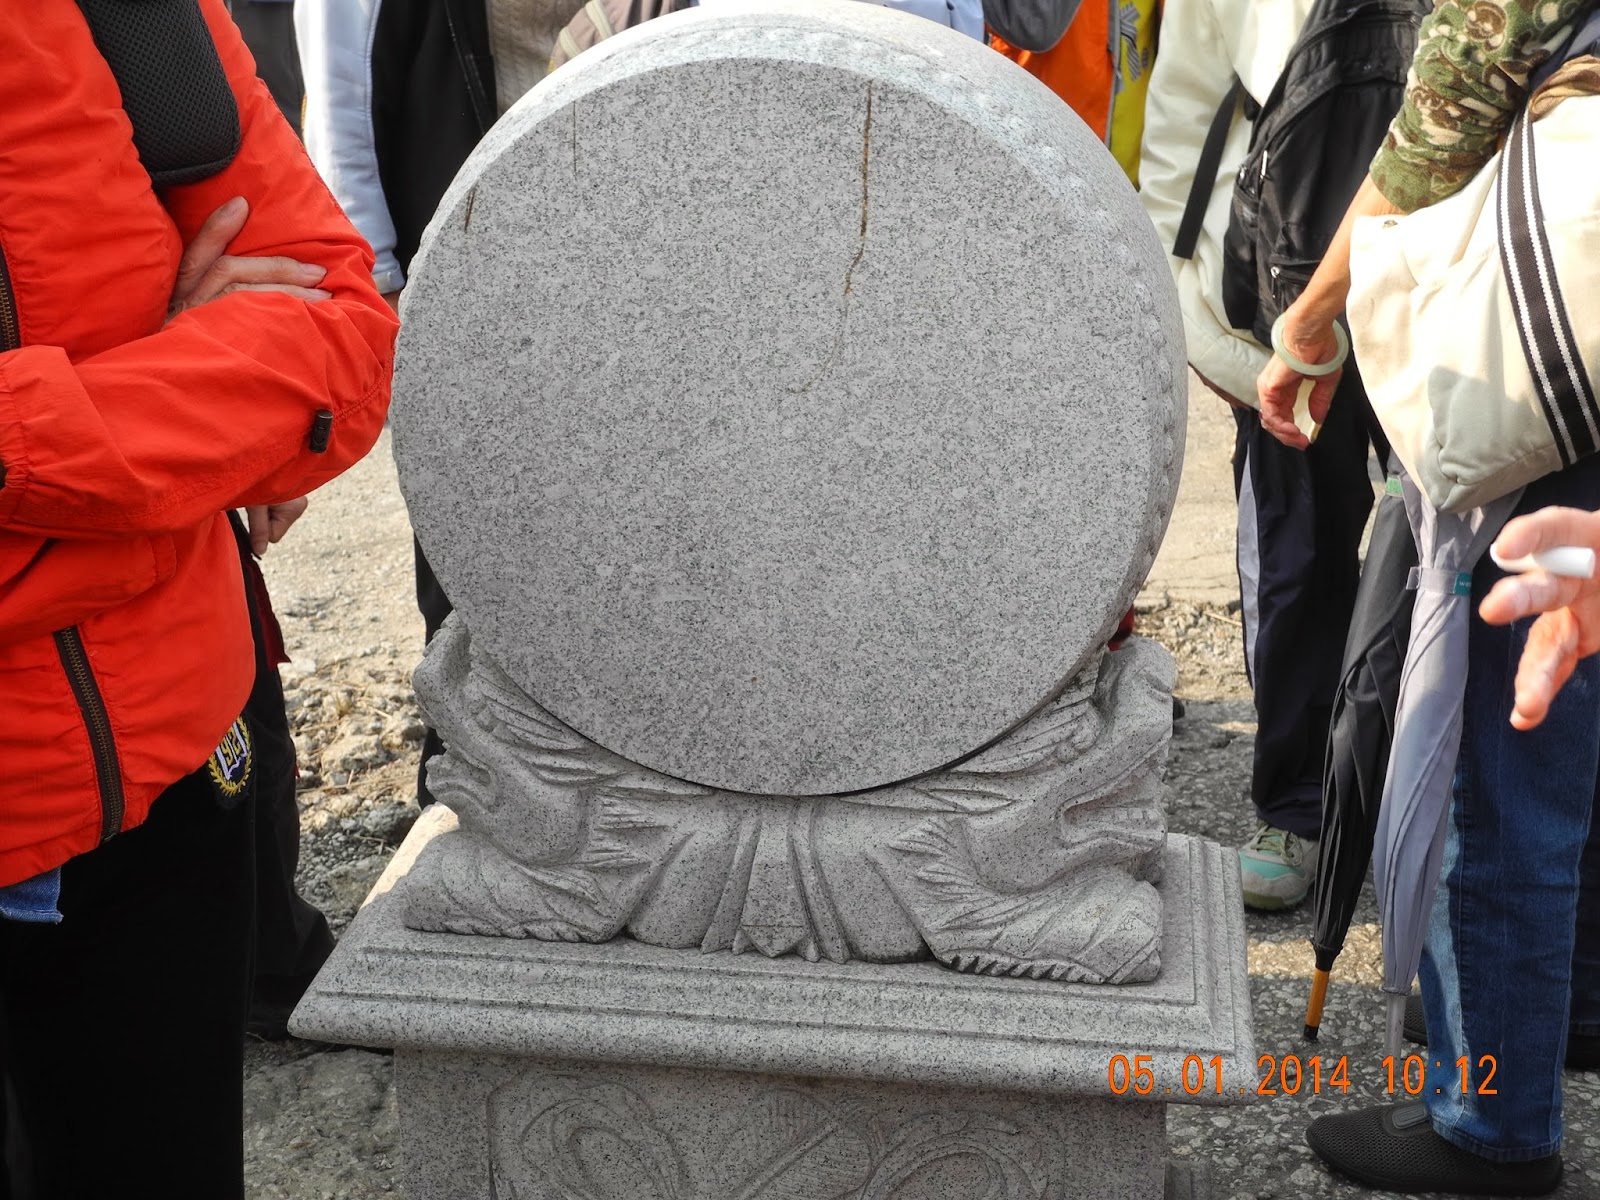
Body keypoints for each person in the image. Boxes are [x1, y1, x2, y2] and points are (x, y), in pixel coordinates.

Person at [0, 3, 396, 1194]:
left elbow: (340, 327)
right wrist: (197, 402)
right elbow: (267, 387)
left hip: (173, 771)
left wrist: (48, 450)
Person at [1256, 1, 1600, 1189]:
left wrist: (1309, 324)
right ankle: (1557, 1016)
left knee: (1505, 745)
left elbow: (1436, 134)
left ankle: (1490, 1122)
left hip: (1557, 378)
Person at [1139, 0, 1395, 911]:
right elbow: (1188, 108)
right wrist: (1194, 313)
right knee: (1294, 564)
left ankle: (1439, 816)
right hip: (1278, 301)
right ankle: (1297, 805)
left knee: (1458, 571)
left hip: (1451, 301)